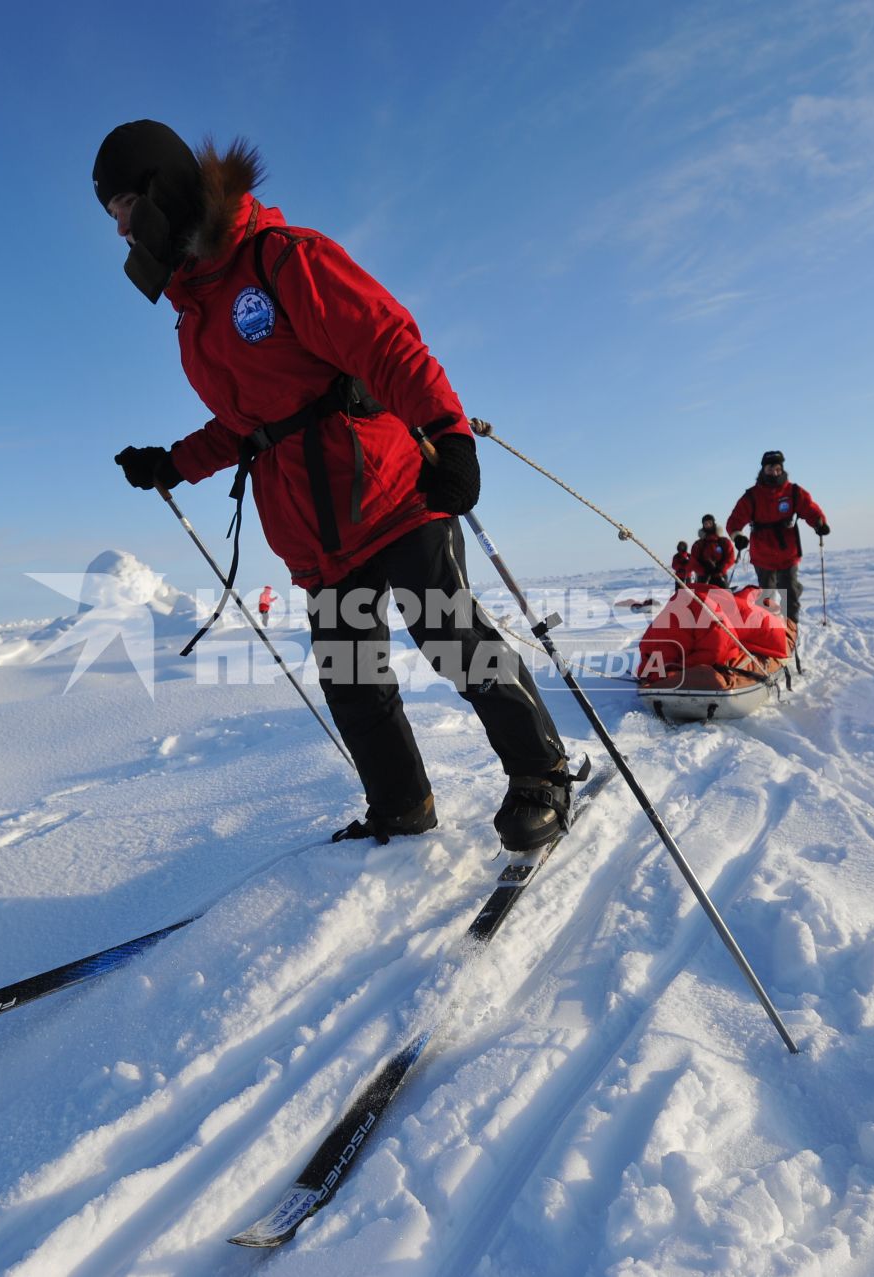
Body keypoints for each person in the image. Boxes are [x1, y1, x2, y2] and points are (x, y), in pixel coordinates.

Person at [100, 120, 572, 851]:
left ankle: (541, 772)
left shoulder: (281, 258)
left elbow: (384, 343)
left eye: (124, 204)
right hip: (311, 529)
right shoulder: (193, 315)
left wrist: (449, 432)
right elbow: (243, 424)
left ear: (161, 190)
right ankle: (400, 805)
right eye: (112, 216)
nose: (122, 229)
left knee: (453, 638)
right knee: (352, 678)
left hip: (389, 490)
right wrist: (171, 463)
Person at [726, 450, 828, 622]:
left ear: (782, 469)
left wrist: (819, 523)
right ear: (763, 470)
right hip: (762, 554)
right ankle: (769, 632)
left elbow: (809, 509)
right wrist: (738, 536)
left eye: (777, 469)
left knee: (789, 595)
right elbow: (734, 521)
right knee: (766, 597)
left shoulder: (793, 492)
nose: (774, 472)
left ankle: (791, 633)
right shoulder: (752, 496)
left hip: (788, 552)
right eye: (770, 469)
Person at [691, 515, 734, 586]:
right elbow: (693, 561)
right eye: (705, 524)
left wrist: (721, 568)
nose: (708, 525)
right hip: (703, 577)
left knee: (722, 596)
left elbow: (730, 558)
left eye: (710, 523)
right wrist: (704, 570)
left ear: (714, 524)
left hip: (720, 575)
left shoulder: (724, 541)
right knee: (702, 597)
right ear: (703, 526)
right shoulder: (698, 544)